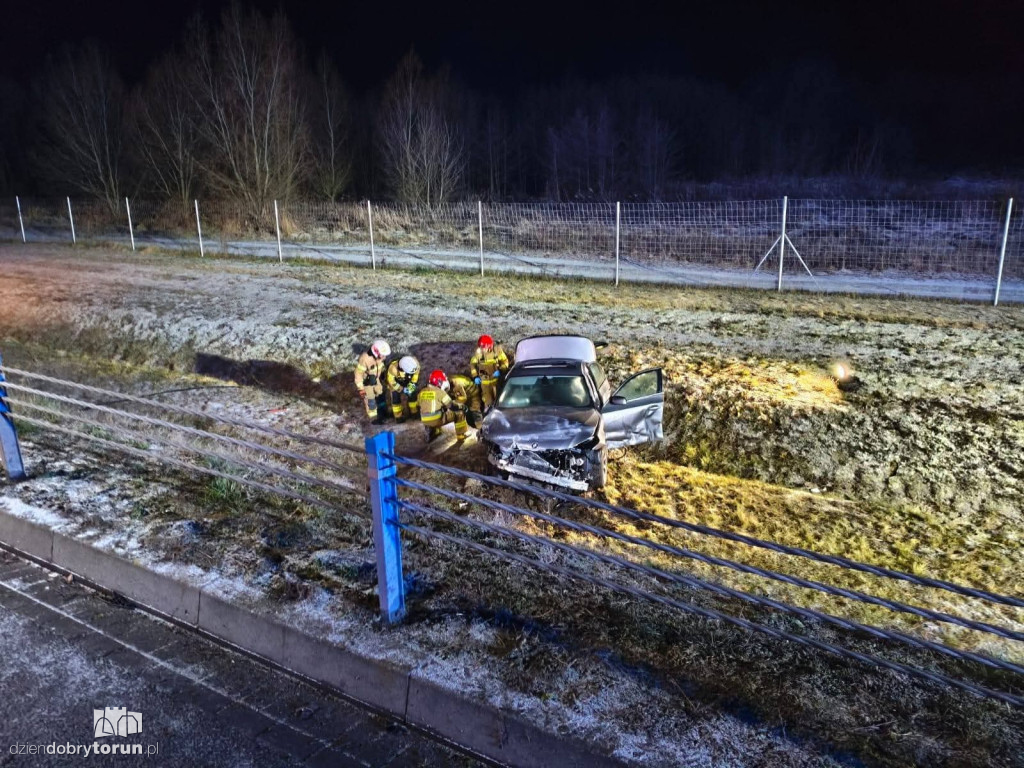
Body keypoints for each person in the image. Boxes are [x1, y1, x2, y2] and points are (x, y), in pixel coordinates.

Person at [417, 369, 468, 442]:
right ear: (439, 382)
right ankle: (461, 435)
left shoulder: (422, 391)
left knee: (429, 412)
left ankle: (431, 432)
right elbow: (452, 406)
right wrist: (462, 407)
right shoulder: (440, 392)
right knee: (459, 413)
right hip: (437, 420)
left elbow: (419, 404)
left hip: (424, 420)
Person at [469, 334, 509, 411]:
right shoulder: (478, 354)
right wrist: (475, 376)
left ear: (489, 346)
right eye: (481, 347)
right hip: (484, 381)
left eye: (484, 347)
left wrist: (500, 370)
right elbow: (472, 365)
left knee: (499, 398)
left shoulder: (497, 351)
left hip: (496, 380)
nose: (482, 349)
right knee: (487, 400)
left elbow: (505, 361)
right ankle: (487, 411)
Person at [354, 339, 390, 424]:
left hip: (376, 380)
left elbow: (381, 367)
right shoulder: (365, 359)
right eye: (383, 355)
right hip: (367, 383)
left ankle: (383, 414)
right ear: (376, 352)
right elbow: (358, 374)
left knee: (381, 396)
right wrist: (361, 388)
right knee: (371, 401)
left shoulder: (380, 357)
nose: (384, 357)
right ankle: (374, 418)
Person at [386, 355, 421, 422]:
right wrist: (400, 389)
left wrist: (412, 385)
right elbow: (391, 381)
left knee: (413, 396)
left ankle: (414, 413)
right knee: (395, 398)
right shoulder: (393, 368)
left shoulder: (415, 365)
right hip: (396, 381)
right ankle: (398, 417)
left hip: (408, 379)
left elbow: (415, 375)